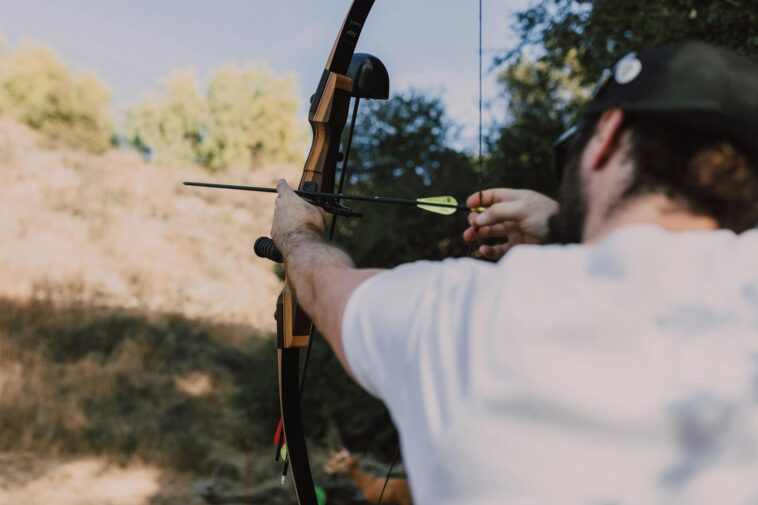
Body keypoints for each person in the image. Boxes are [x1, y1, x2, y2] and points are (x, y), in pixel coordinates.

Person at [268, 41, 758, 503]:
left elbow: (325, 287)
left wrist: (297, 235)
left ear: (606, 135)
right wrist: (563, 227)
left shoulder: (459, 315)